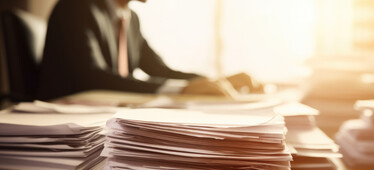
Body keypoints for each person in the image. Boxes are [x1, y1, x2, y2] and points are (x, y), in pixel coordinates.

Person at [38, 0, 263, 100]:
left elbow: (158, 69)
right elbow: (93, 79)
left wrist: (218, 81)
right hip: (69, 132)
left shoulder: (131, 19)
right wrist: (182, 90)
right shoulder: (77, 7)